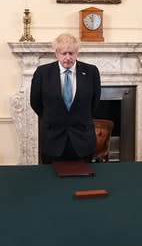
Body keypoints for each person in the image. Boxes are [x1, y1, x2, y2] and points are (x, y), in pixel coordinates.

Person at [30, 33, 101, 163]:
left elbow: (94, 103)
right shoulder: (42, 73)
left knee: (83, 182)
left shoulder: (91, 72)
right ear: (56, 53)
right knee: (52, 181)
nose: (68, 58)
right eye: (64, 53)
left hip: (82, 140)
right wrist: (53, 117)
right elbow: (35, 103)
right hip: (53, 140)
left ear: (77, 53)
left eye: (71, 53)